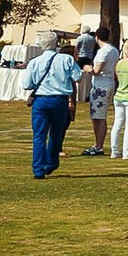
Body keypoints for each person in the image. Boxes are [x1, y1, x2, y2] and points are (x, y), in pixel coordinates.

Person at [21, 32, 81, 179]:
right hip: (59, 100)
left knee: (39, 136)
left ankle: (38, 169)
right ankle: (51, 162)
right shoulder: (66, 59)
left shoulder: (35, 62)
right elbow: (77, 76)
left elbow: (26, 84)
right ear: (56, 43)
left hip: (41, 100)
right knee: (56, 133)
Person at [82, 27, 118, 157]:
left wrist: (87, 68)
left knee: (99, 117)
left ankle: (99, 145)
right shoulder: (114, 50)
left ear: (97, 37)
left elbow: (97, 70)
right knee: (97, 116)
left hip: (101, 85)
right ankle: (97, 144)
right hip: (109, 83)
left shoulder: (104, 51)